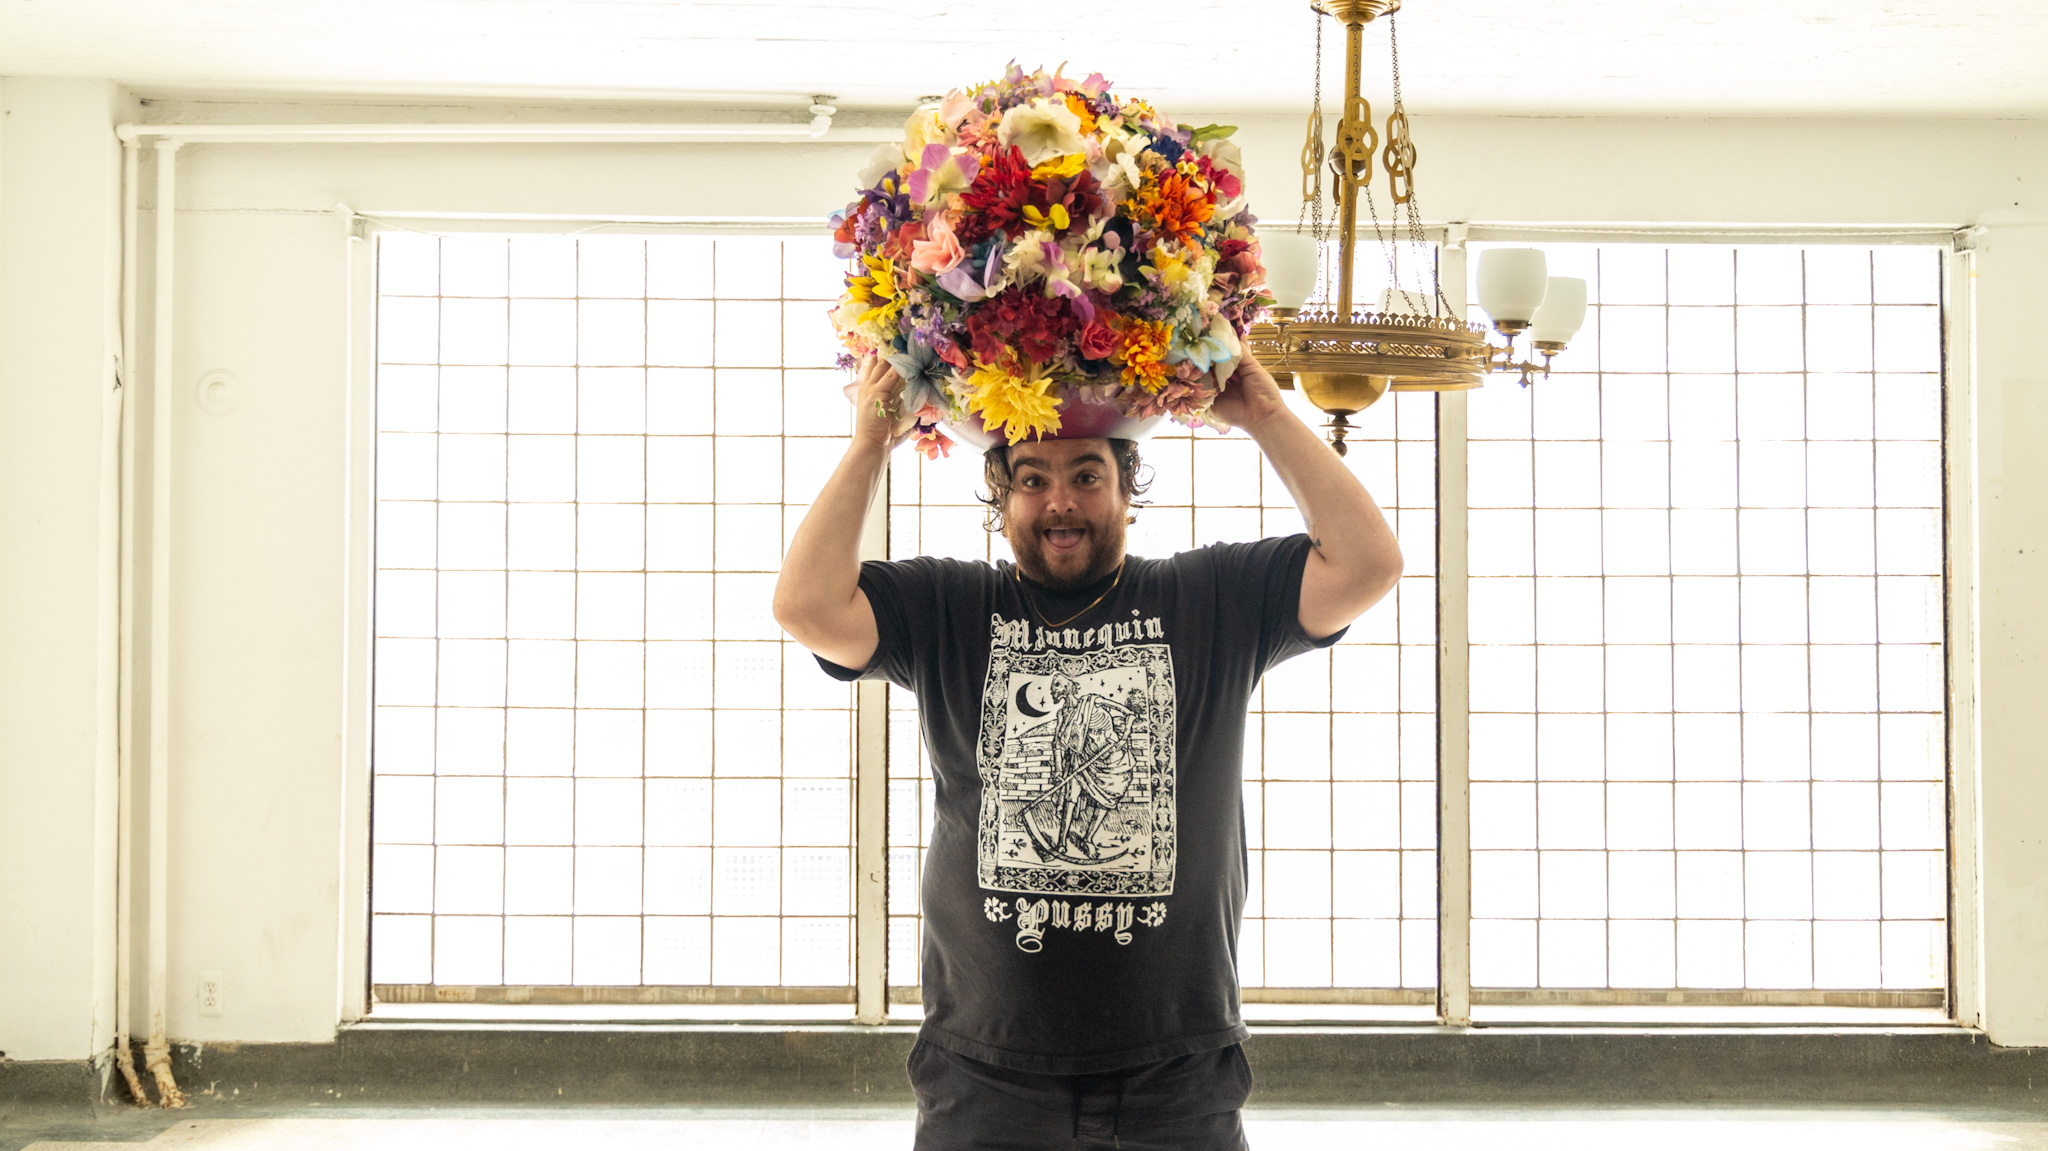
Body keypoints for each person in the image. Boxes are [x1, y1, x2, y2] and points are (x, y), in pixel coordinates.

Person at [772, 351, 1404, 1150]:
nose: (1059, 501)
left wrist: (1269, 417)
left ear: (1127, 489)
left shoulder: (1210, 597)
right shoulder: (950, 606)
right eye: (1032, 478)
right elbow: (806, 603)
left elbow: (1368, 562)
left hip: (1176, 1074)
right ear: (1000, 497)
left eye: (1086, 476)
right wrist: (869, 443)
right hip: (985, 1074)